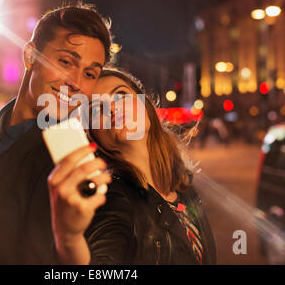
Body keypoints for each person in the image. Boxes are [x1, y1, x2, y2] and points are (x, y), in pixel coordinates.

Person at [0, 3, 113, 264]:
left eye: (90, 73)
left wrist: (70, 237)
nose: (76, 83)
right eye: (66, 62)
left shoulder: (71, 156)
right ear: (30, 56)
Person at [48, 68, 216, 264]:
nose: (112, 109)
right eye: (96, 108)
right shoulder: (113, 199)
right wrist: (70, 238)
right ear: (93, 134)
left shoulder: (183, 184)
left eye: (121, 96)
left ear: (146, 105)